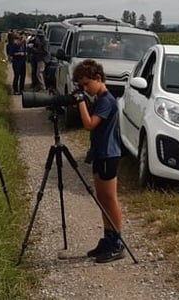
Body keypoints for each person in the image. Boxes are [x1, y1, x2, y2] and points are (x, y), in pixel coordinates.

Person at [72, 59, 125, 263]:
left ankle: (117, 241)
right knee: (102, 199)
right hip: (100, 154)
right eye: (81, 86)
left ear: (98, 78)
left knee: (110, 200)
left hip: (108, 155)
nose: (85, 89)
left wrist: (80, 102)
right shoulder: (100, 99)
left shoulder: (106, 100)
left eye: (87, 84)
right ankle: (108, 237)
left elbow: (89, 124)